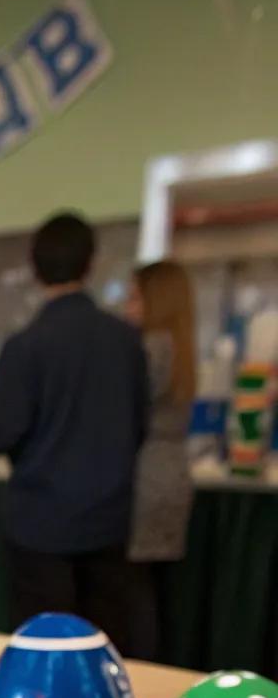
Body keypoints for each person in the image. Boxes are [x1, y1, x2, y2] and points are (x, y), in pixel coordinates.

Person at [0, 212, 149, 651]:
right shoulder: (126, 341)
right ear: (90, 263)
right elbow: (140, 426)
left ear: (35, 269)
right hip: (109, 521)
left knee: (43, 653)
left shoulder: (24, 347)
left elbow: (0, 433)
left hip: (40, 523)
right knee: (106, 651)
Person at [125, 260, 196, 660]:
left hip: (146, 476)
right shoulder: (181, 346)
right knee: (156, 589)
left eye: (135, 297)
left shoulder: (152, 347)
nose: (127, 308)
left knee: (136, 592)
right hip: (173, 472)